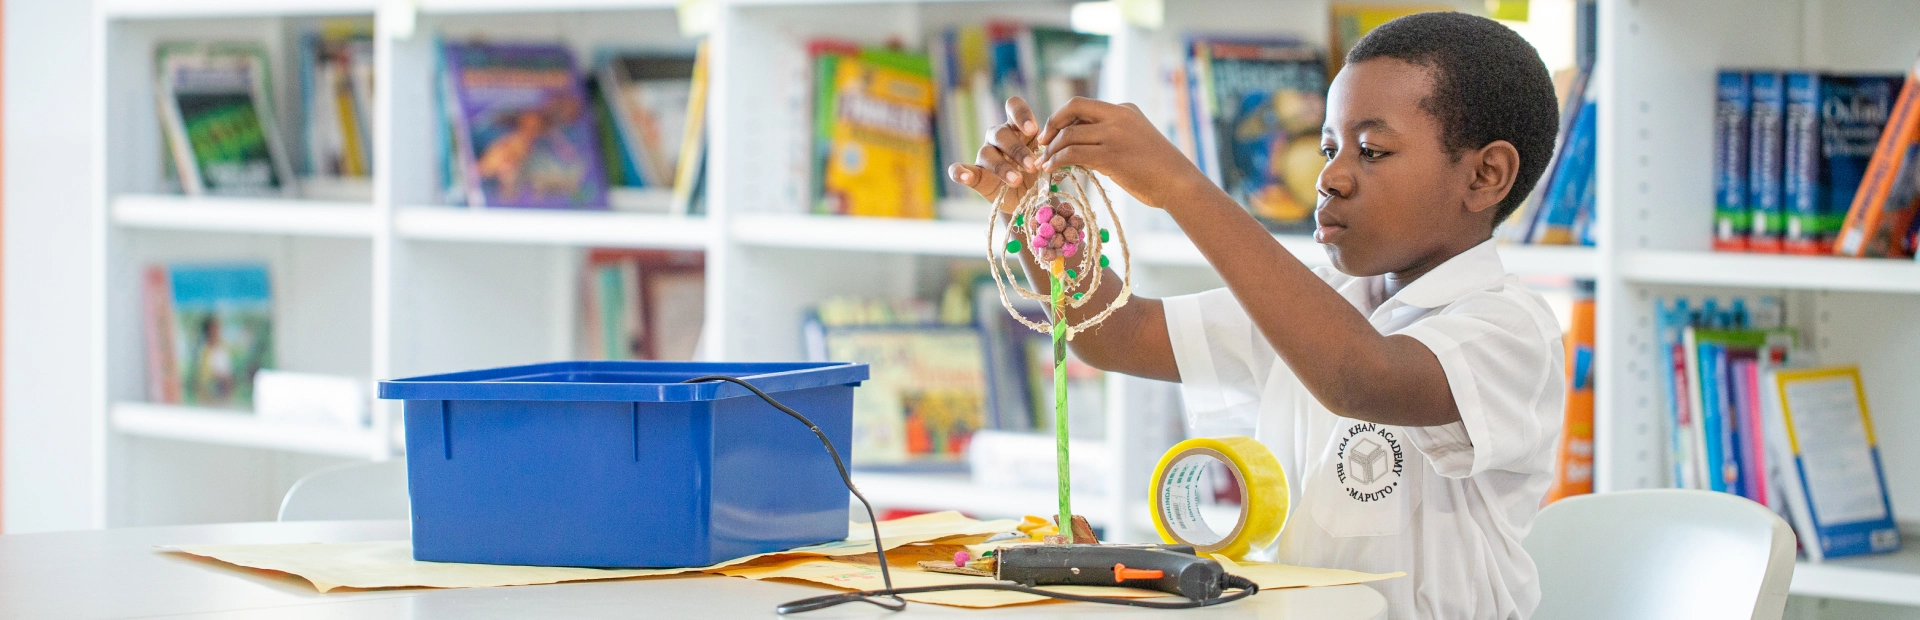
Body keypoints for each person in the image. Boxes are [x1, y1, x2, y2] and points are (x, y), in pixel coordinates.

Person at [948, 12, 1566, 619]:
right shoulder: (1321, 303)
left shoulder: (1510, 330)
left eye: (1372, 151)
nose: (1330, 176)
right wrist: (1036, 211)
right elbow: (1116, 333)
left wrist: (1181, 188)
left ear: (1486, 175)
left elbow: (1359, 375)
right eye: (1328, 147)